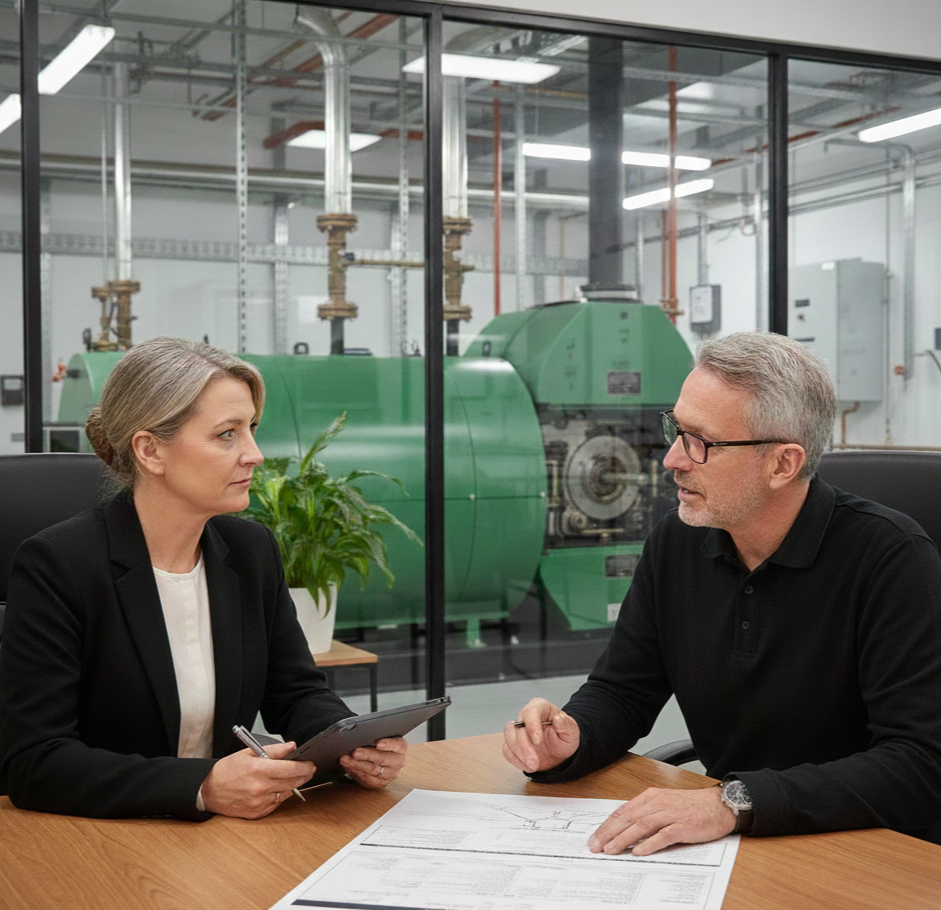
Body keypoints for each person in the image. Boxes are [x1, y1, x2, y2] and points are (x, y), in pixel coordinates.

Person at [504, 330, 941, 855]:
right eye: (675, 430)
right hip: (732, 844)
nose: (671, 459)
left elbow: (919, 763)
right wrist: (571, 738)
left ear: (783, 463)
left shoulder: (891, 558)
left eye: (700, 442)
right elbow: (624, 689)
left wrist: (733, 802)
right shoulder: (677, 541)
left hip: (863, 848)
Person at [0, 336, 406, 821]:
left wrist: (351, 743)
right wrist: (203, 786)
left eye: (251, 428)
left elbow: (296, 692)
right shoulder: (59, 565)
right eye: (227, 434)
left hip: (222, 839)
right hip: (105, 840)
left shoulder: (250, 551)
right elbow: (35, 762)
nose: (254, 454)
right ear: (151, 451)